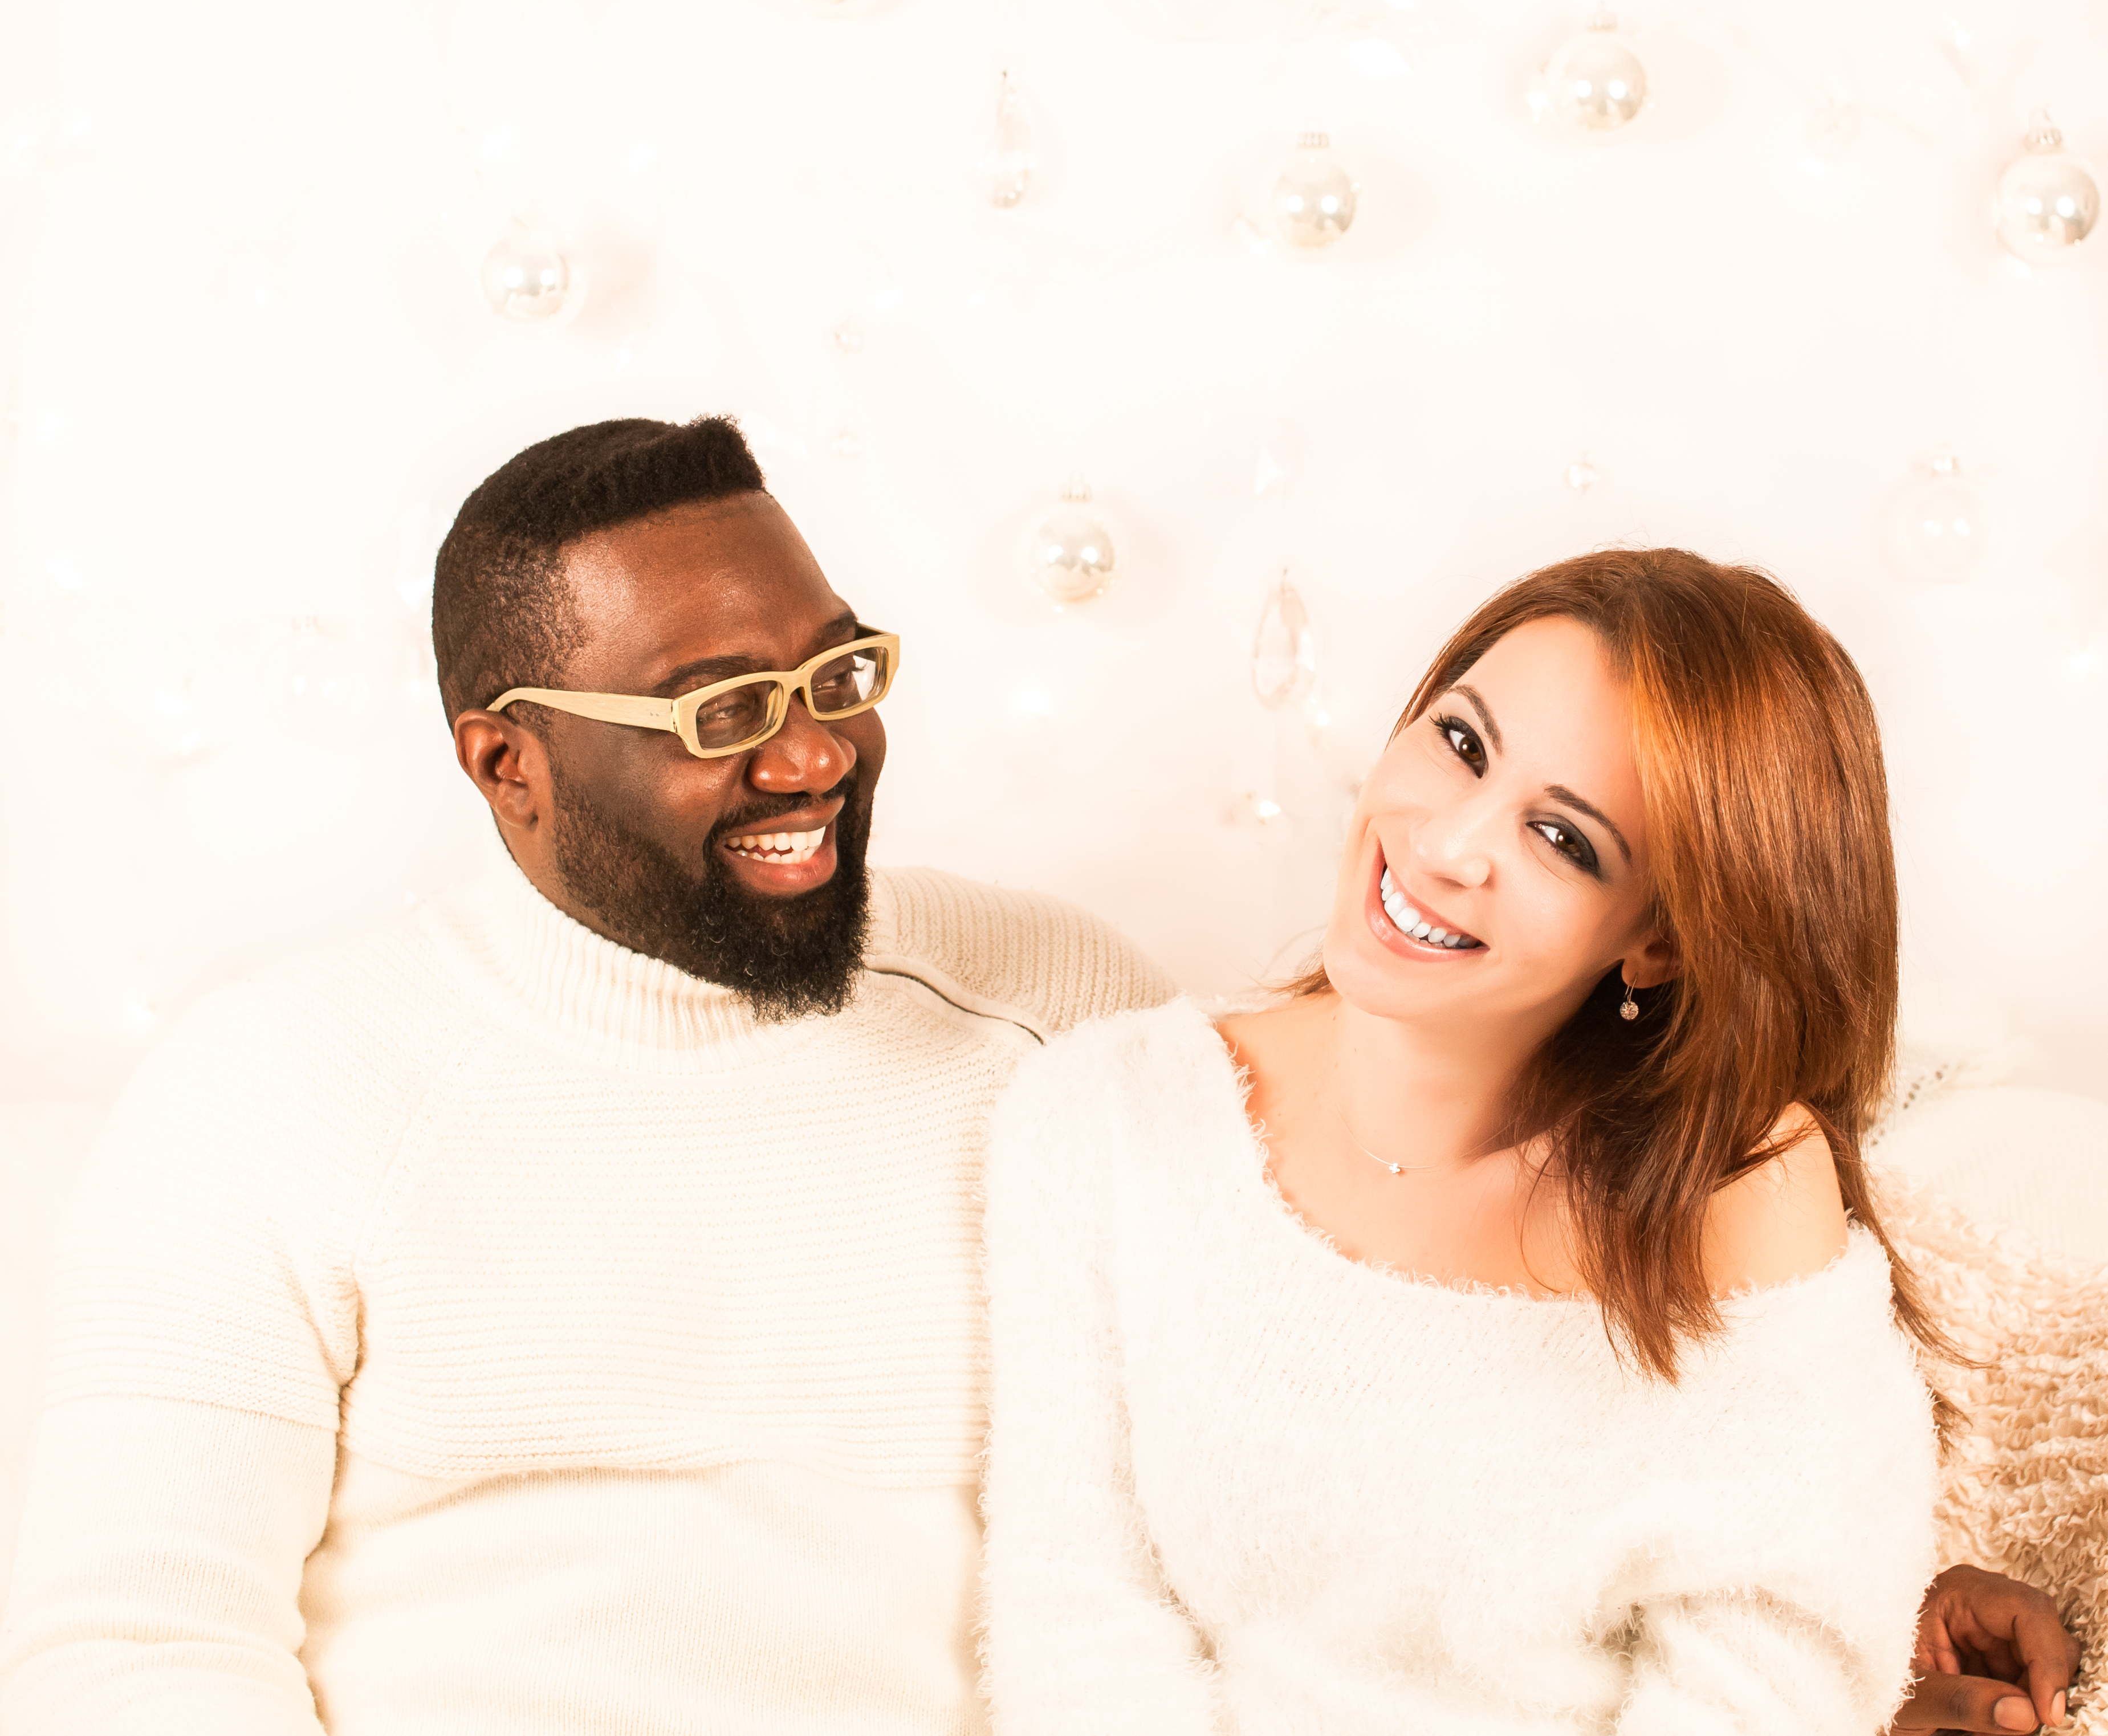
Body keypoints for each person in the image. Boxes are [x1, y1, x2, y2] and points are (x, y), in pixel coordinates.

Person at [0, 421, 2076, 1735]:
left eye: (835, 671)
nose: (812, 750)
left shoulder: (1054, 1009)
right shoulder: (273, 1094)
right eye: (720, 709)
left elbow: (1391, 1353)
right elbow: (128, 1647)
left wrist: (1867, 1590)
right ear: (503, 759)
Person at [980, 547, 2081, 1735]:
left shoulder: (1736, 1187)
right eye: (1461, 741)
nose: (1447, 845)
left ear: (1657, 941)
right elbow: (1075, 1618)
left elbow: (1765, 1677)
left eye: (1562, 837)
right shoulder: (1105, 1113)